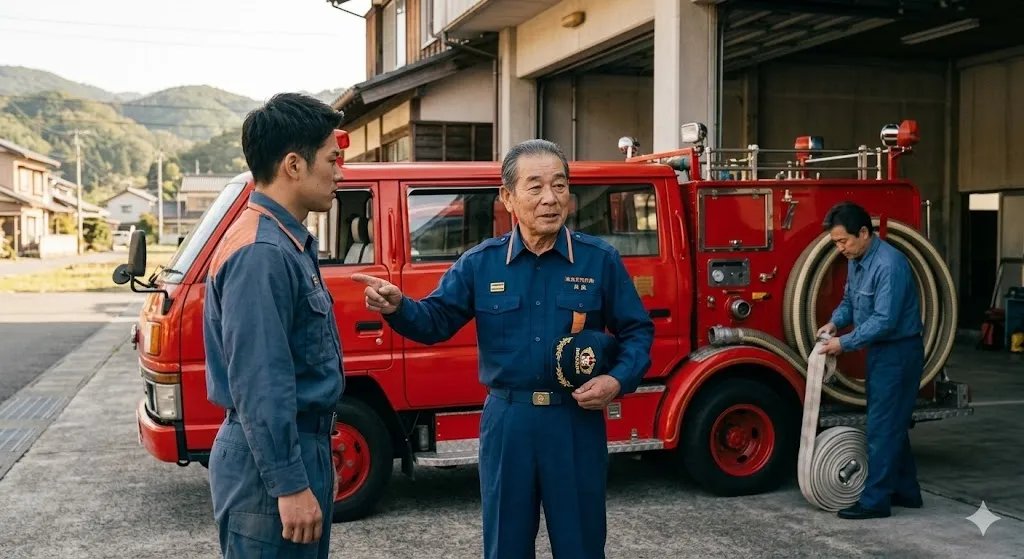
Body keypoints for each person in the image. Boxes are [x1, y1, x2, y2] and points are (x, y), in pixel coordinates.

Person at [352, 139, 654, 558]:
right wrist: (399, 307)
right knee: (505, 546)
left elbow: (637, 331)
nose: (550, 198)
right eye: (535, 186)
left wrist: (617, 381)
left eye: (559, 185)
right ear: (508, 197)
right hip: (509, 422)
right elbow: (435, 320)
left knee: (581, 545)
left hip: (574, 421)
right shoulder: (481, 263)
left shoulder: (598, 260)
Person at [203, 92, 346, 557]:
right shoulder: (262, 252)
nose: (340, 173)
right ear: (294, 165)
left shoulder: (281, 240)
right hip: (267, 463)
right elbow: (261, 380)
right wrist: (289, 483)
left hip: (292, 448)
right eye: (332, 160)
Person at [816, 201, 925, 520]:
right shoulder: (856, 260)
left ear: (863, 233)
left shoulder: (890, 264)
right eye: (836, 243)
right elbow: (850, 301)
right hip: (880, 352)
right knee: (892, 423)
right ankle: (907, 492)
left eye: (843, 241)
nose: (840, 249)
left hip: (898, 352)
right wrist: (834, 323)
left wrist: (843, 343)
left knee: (881, 427)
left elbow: (884, 320)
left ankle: (875, 501)